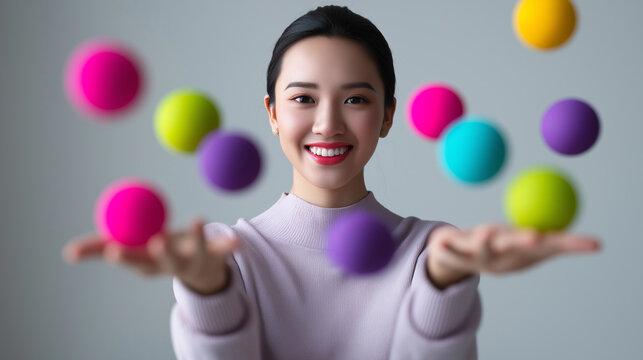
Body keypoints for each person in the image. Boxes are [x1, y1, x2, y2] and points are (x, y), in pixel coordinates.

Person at [62, 5, 601, 360]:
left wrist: (443, 283)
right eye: (302, 98)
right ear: (272, 113)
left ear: (388, 116)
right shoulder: (228, 256)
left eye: (356, 99)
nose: (327, 123)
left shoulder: (432, 251)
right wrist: (210, 293)